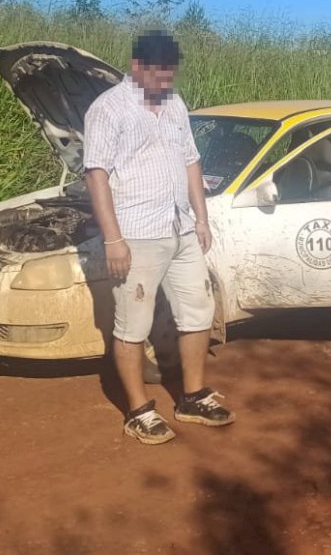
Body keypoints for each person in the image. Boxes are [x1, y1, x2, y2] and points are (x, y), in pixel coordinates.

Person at [84, 30, 234, 444]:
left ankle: (193, 397)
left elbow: (191, 161)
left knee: (198, 312)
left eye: (171, 74)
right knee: (133, 324)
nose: (165, 83)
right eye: (158, 75)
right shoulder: (108, 109)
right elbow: (96, 174)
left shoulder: (175, 103)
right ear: (137, 67)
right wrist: (113, 239)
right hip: (136, 234)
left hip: (180, 228)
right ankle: (139, 411)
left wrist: (201, 219)